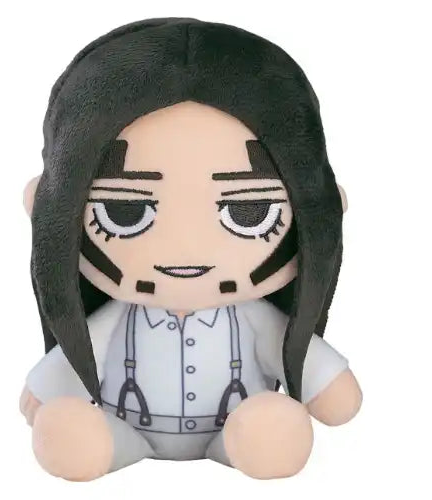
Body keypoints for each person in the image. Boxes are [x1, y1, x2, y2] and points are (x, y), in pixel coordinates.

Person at [20, 18, 362, 481]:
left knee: (265, 431)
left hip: (232, 429)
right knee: (81, 436)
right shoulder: (114, 320)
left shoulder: (256, 320)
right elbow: (71, 361)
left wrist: (327, 389)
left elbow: (324, 384)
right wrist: (45, 391)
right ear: (49, 208)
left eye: (249, 212)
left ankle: (260, 440)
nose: (186, 247)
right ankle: (95, 443)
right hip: (128, 425)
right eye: (124, 211)